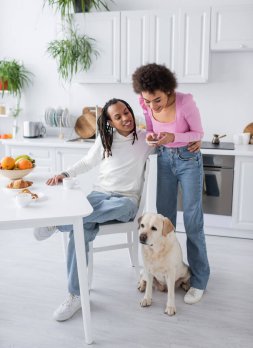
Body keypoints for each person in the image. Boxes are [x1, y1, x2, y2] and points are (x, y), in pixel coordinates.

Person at [34, 98, 152, 322]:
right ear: (110, 121)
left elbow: (168, 140)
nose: (125, 118)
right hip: (99, 196)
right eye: (118, 116)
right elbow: (87, 162)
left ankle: (57, 222)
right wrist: (65, 174)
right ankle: (76, 296)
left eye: (126, 112)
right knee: (81, 228)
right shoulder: (106, 139)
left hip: (125, 202)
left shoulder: (146, 139)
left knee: (108, 209)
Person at [132, 63, 210, 305]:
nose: (152, 105)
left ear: (168, 90)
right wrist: (153, 137)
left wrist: (174, 137)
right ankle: (158, 272)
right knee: (163, 223)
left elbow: (198, 133)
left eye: (157, 100)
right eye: (147, 101)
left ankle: (199, 280)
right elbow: (151, 131)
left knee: (193, 222)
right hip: (165, 159)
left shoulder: (185, 102)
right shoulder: (145, 103)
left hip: (188, 160)